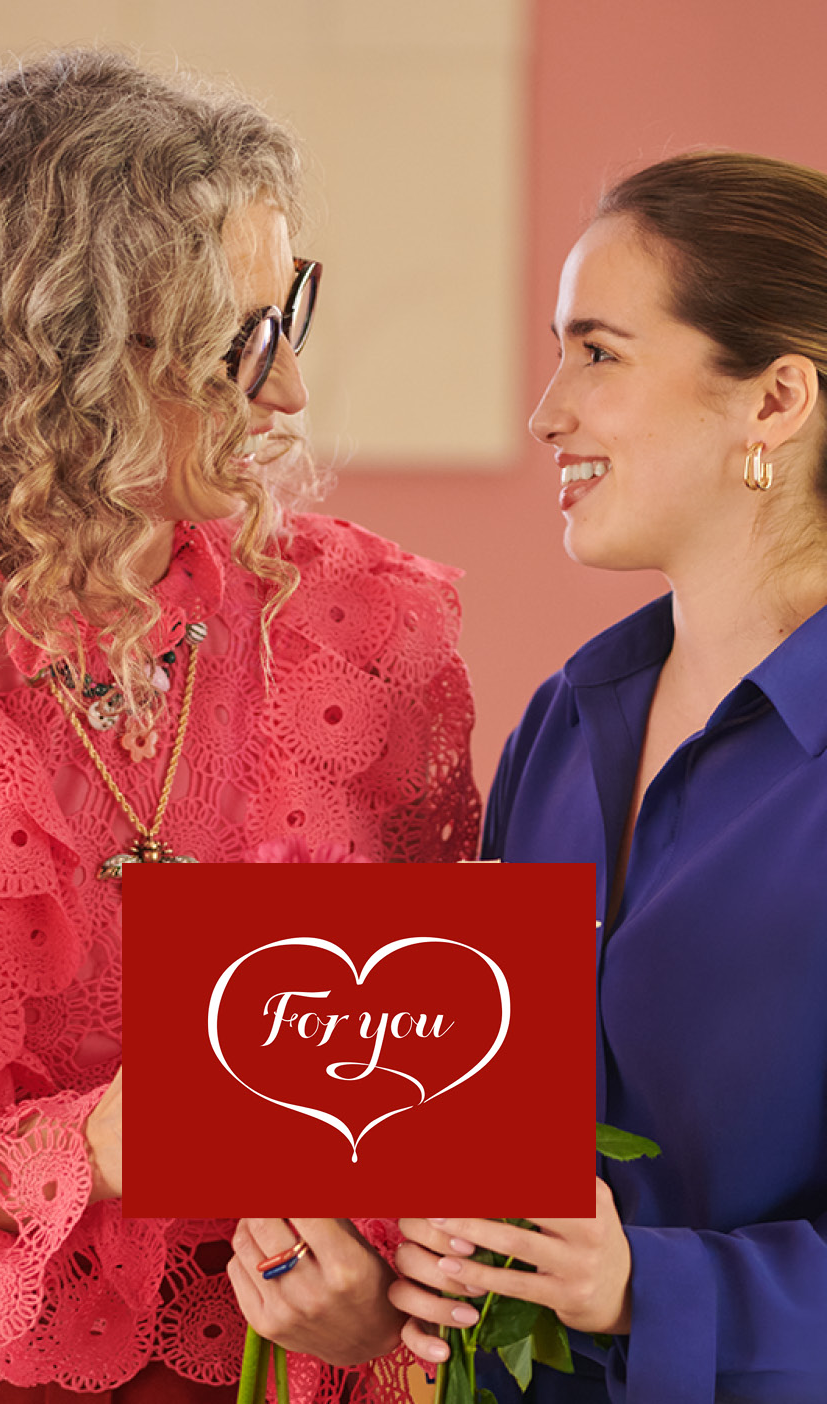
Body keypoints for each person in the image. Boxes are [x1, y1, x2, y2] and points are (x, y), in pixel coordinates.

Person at [0, 48, 481, 1400]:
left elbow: (448, 1073)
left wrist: (375, 1288)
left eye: (292, 317)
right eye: (235, 345)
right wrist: (97, 1144)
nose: (288, 397)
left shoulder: (367, 631)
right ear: (57, 363)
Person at [389, 150, 827, 1403]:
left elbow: (608, 1265)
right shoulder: (564, 725)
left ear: (776, 398)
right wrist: (398, 1275)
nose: (547, 412)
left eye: (599, 353)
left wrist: (645, 1286)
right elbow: (488, 1139)